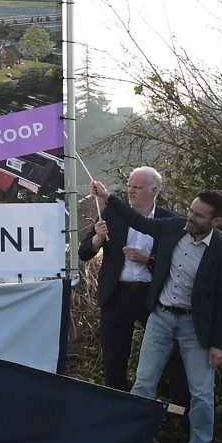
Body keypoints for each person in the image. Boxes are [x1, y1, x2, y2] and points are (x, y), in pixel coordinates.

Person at [91, 179, 222, 443]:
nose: (191, 217)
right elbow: (135, 218)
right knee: (143, 383)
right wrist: (108, 198)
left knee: (200, 391)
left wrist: (219, 344)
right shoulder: (172, 227)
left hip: (194, 327)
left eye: (199, 215)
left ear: (217, 221)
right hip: (160, 317)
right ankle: (132, 442)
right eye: (191, 210)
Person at [78, 165, 175, 390]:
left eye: (137, 187)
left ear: (155, 190)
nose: (131, 191)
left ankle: (170, 409)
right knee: (114, 362)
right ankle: (116, 410)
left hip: (151, 298)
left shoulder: (168, 220)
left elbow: (176, 265)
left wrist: (148, 260)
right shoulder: (111, 214)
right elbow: (84, 253)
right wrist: (97, 240)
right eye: (129, 186)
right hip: (116, 295)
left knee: (168, 356)